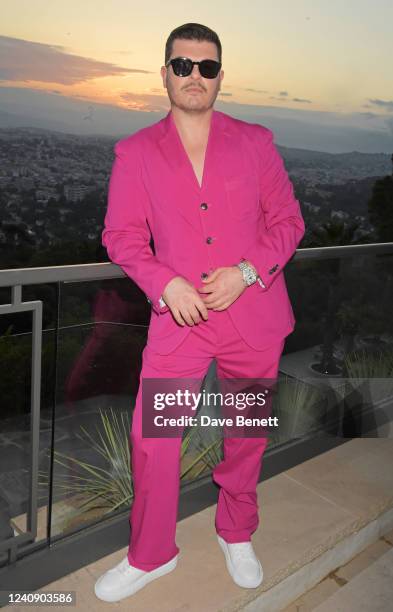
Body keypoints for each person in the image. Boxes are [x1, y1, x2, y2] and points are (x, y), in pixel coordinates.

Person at [94, 22, 305, 603]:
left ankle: (237, 531)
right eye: (182, 65)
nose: (194, 76)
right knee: (155, 437)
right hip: (180, 326)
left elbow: (288, 222)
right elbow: (122, 236)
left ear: (219, 78)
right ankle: (152, 553)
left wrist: (245, 273)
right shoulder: (135, 152)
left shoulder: (256, 142)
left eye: (206, 67)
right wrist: (165, 284)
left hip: (252, 319)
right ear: (164, 73)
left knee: (245, 435)